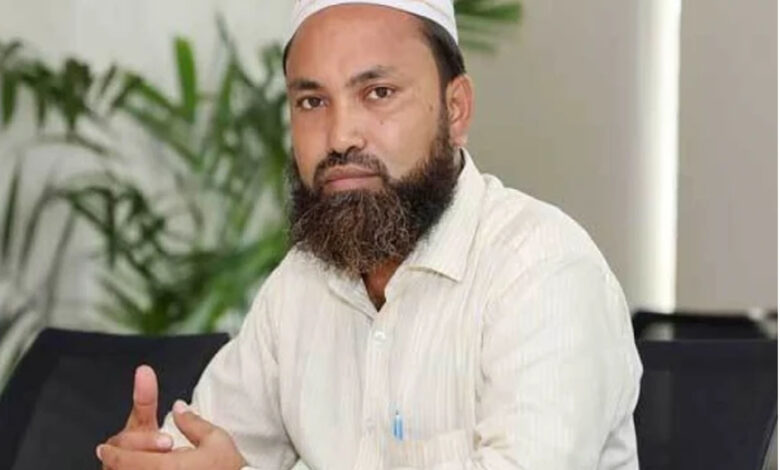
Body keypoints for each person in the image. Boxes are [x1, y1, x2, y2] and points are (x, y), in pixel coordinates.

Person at [96, 1, 642, 469]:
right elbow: (208, 449)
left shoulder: (544, 272)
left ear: (456, 110)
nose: (340, 137)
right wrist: (154, 459)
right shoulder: (301, 285)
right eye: (312, 102)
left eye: (378, 92)